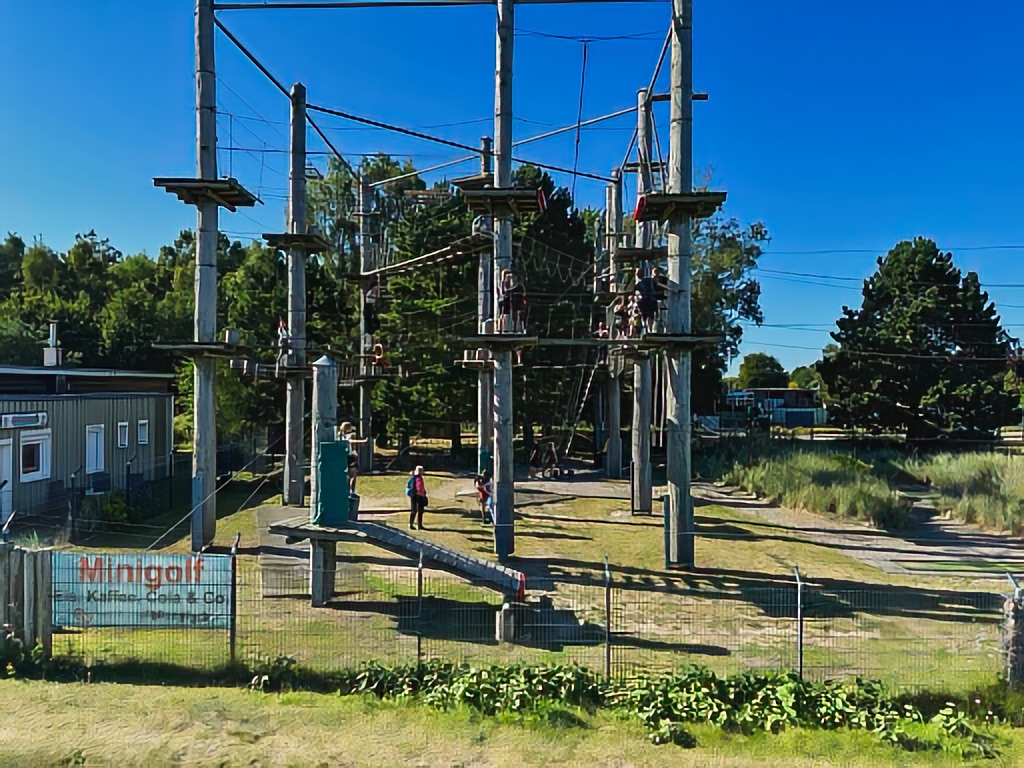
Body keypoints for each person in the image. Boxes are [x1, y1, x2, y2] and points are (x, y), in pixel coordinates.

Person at [338, 422, 370, 493]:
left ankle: (349, 489)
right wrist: (363, 441)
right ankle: (351, 490)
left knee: (349, 475)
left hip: (345, 456)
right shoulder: (343, 437)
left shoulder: (341, 436)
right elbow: (351, 441)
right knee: (353, 475)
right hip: (348, 457)